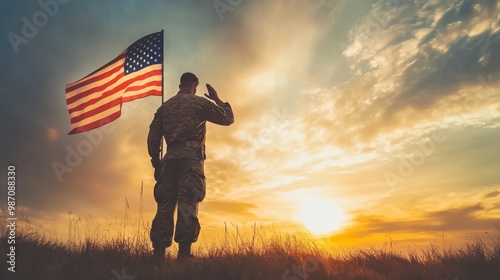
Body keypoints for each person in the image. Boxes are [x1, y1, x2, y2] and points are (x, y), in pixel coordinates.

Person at [147, 72, 234, 262]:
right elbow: (228, 118)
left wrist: (156, 163)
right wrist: (217, 100)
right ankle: (184, 254)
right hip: (190, 159)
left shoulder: (165, 106)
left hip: (168, 160)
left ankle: (158, 253)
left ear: (180, 85)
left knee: (165, 204)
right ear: (195, 85)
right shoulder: (198, 103)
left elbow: (153, 138)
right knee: (188, 202)